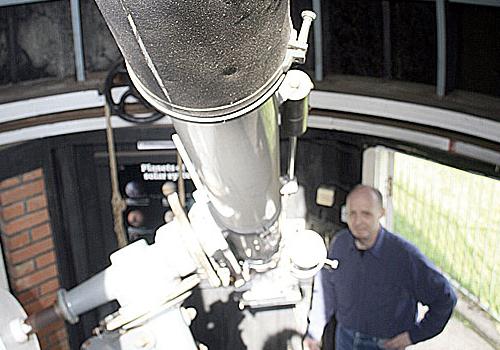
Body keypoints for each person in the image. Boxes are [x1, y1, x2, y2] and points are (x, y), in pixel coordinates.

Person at [304, 185, 457, 350]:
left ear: (381, 213)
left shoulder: (403, 256)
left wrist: (413, 336)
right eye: (352, 213)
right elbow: (326, 290)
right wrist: (314, 332)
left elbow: (445, 298)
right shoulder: (339, 244)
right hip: (344, 338)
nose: (358, 221)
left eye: (366, 214)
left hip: (383, 345)